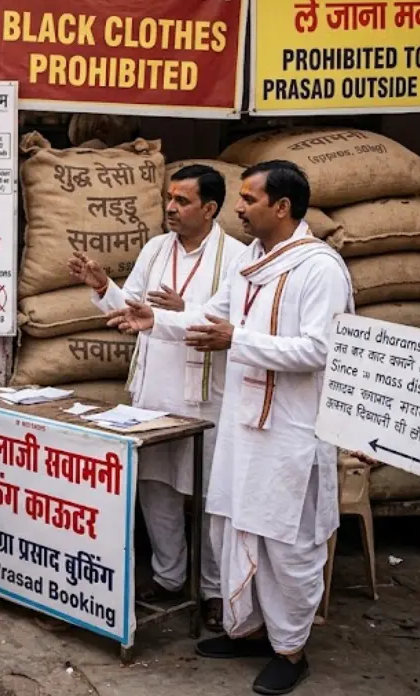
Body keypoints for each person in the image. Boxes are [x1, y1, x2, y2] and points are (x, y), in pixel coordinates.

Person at [112, 160, 351, 695]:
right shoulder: (250, 260)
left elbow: (321, 349)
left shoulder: (320, 268)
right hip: (243, 424)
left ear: (282, 207)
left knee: (287, 546)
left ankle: (290, 652)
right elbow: (213, 317)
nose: (239, 208)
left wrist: (235, 342)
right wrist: (159, 322)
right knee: (232, 529)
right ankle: (247, 631)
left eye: (249, 198)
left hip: (292, 432)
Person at [70, 164, 244, 629]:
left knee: (210, 497)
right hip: (153, 390)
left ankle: (211, 589)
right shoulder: (155, 248)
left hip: (208, 397)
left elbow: (223, 323)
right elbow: (134, 311)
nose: (170, 207)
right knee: (156, 487)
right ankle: (169, 578)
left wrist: (178, 313)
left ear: (209, 208)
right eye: (169, 198)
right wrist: (103, 286)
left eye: (182, 201)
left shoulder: (237, 258)